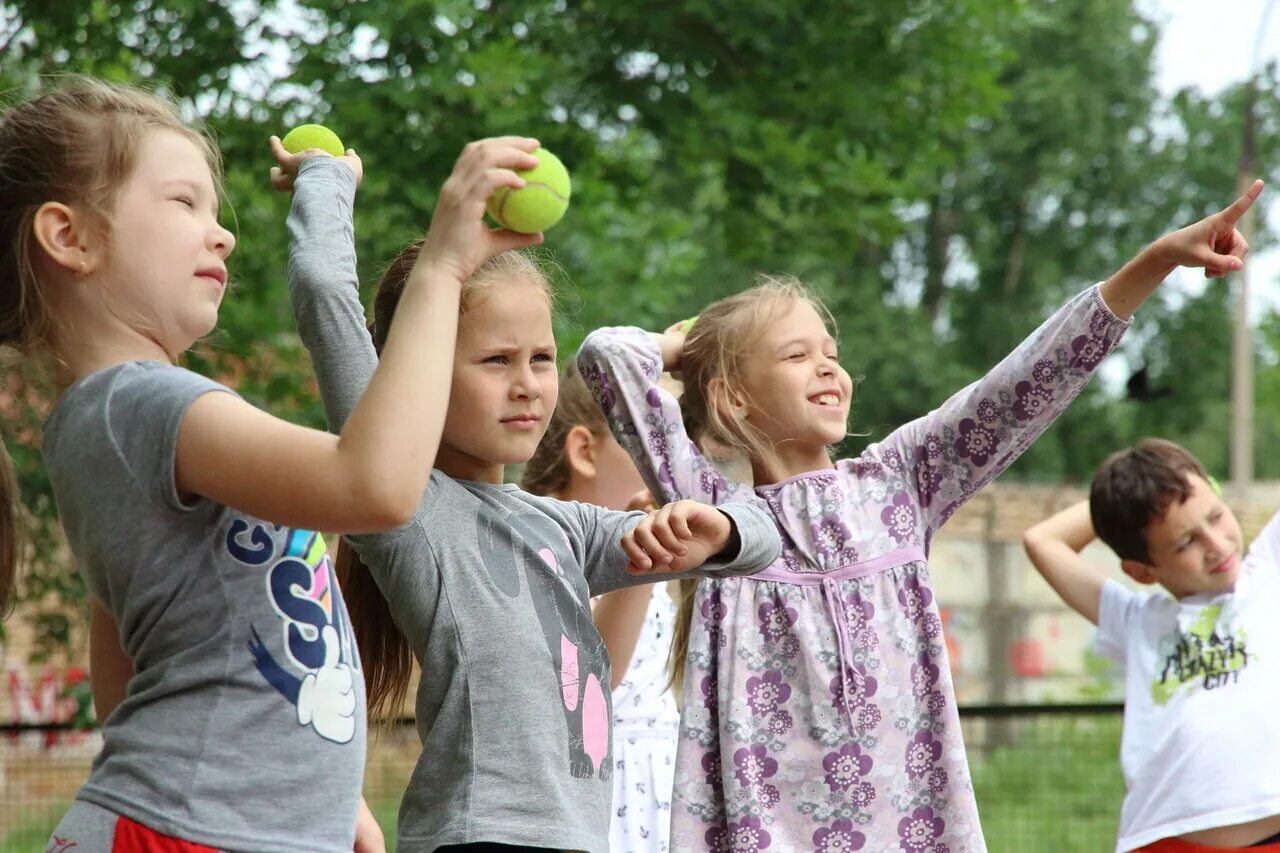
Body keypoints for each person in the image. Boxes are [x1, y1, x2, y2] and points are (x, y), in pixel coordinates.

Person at [575, 181, 1264, 850]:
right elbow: (607, 355)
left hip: (911, 829)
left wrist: (1157, 261)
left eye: (832, 354)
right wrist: (690, 351)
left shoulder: (899, 481)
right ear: (733, 393)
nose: (828, 369)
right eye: (795, 355)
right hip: (765, 829)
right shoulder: (716, 508)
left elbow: (1030, 380)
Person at [0, 78, 476, 851]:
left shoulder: (112, 417)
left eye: (216, 214)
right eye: (185, 203)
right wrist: (442, 270)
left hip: (201, 820)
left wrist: (313, 793)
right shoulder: (146, 404)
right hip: (186, 829)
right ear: (70, 237)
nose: (221, 234)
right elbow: (378, 484)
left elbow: (129, 665)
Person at [272, 138, 783, 852]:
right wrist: (327, 178)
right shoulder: (408, 508)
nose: (528, 384)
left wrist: (715, 531)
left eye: (541, 358)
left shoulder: (564, 530)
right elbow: (326, 295)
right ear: (419, 370)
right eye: (495, 360)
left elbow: (764, 539)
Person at [1023, 438, 1280, 852]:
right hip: (1162, 842)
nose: (1216, 545)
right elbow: (1042, 541)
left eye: (1216, 516)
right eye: (1185, 542)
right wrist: (1129, 504)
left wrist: (1171, 483)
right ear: (1142, 571)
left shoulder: (1270, 572)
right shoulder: (1136, 620)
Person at [522, 361, 680, 853]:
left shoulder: (644, 540)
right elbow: (592, 679)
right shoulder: (542, 545)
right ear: (585, 451)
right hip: (598, 802)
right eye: (653, 443)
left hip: (660, 794)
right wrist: (642, 562)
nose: (671, 462)